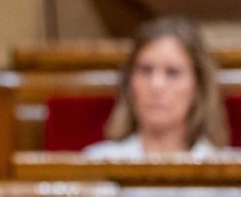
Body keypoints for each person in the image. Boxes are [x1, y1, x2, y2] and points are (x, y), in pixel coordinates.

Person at [84, 16, 230, 158]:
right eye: (145, 70)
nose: (156, 85)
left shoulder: (231, 168)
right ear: (129, 82)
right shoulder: (93, 165)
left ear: (198, 85)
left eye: (173, 72)